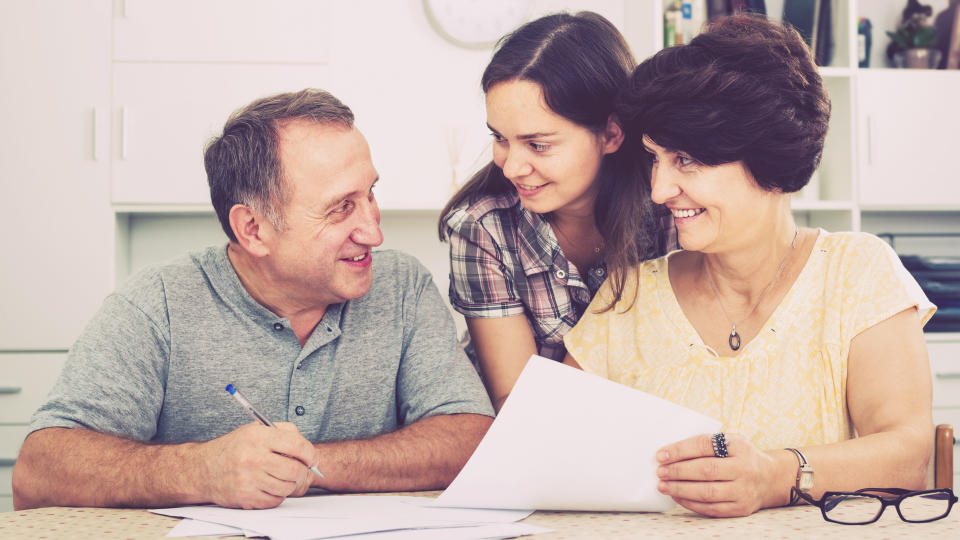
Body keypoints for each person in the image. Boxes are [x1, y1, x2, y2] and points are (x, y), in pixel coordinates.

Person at [12, 89, 494, 511]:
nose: (373, 230)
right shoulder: (156, 305)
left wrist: (308, 464)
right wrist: (201, 471)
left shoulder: (403, 287)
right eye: (341, 207)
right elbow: (38, 472)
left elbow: (470, 440)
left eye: (370, 194)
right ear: (253, 229)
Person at [564, 15, 936, 517]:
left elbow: (910, 455)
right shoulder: (628, 297)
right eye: (655, 158)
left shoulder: (858, 273)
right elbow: (556, 451)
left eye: (686, 160)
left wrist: (775, 476)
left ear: (770, 161)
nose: (658, 189)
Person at [438, 11, 674, 412]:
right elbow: (518, 406)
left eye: (538, 144)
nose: (511, 166)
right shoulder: (481, 228)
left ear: (611, 134)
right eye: (500, 138)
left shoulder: (669, 210)